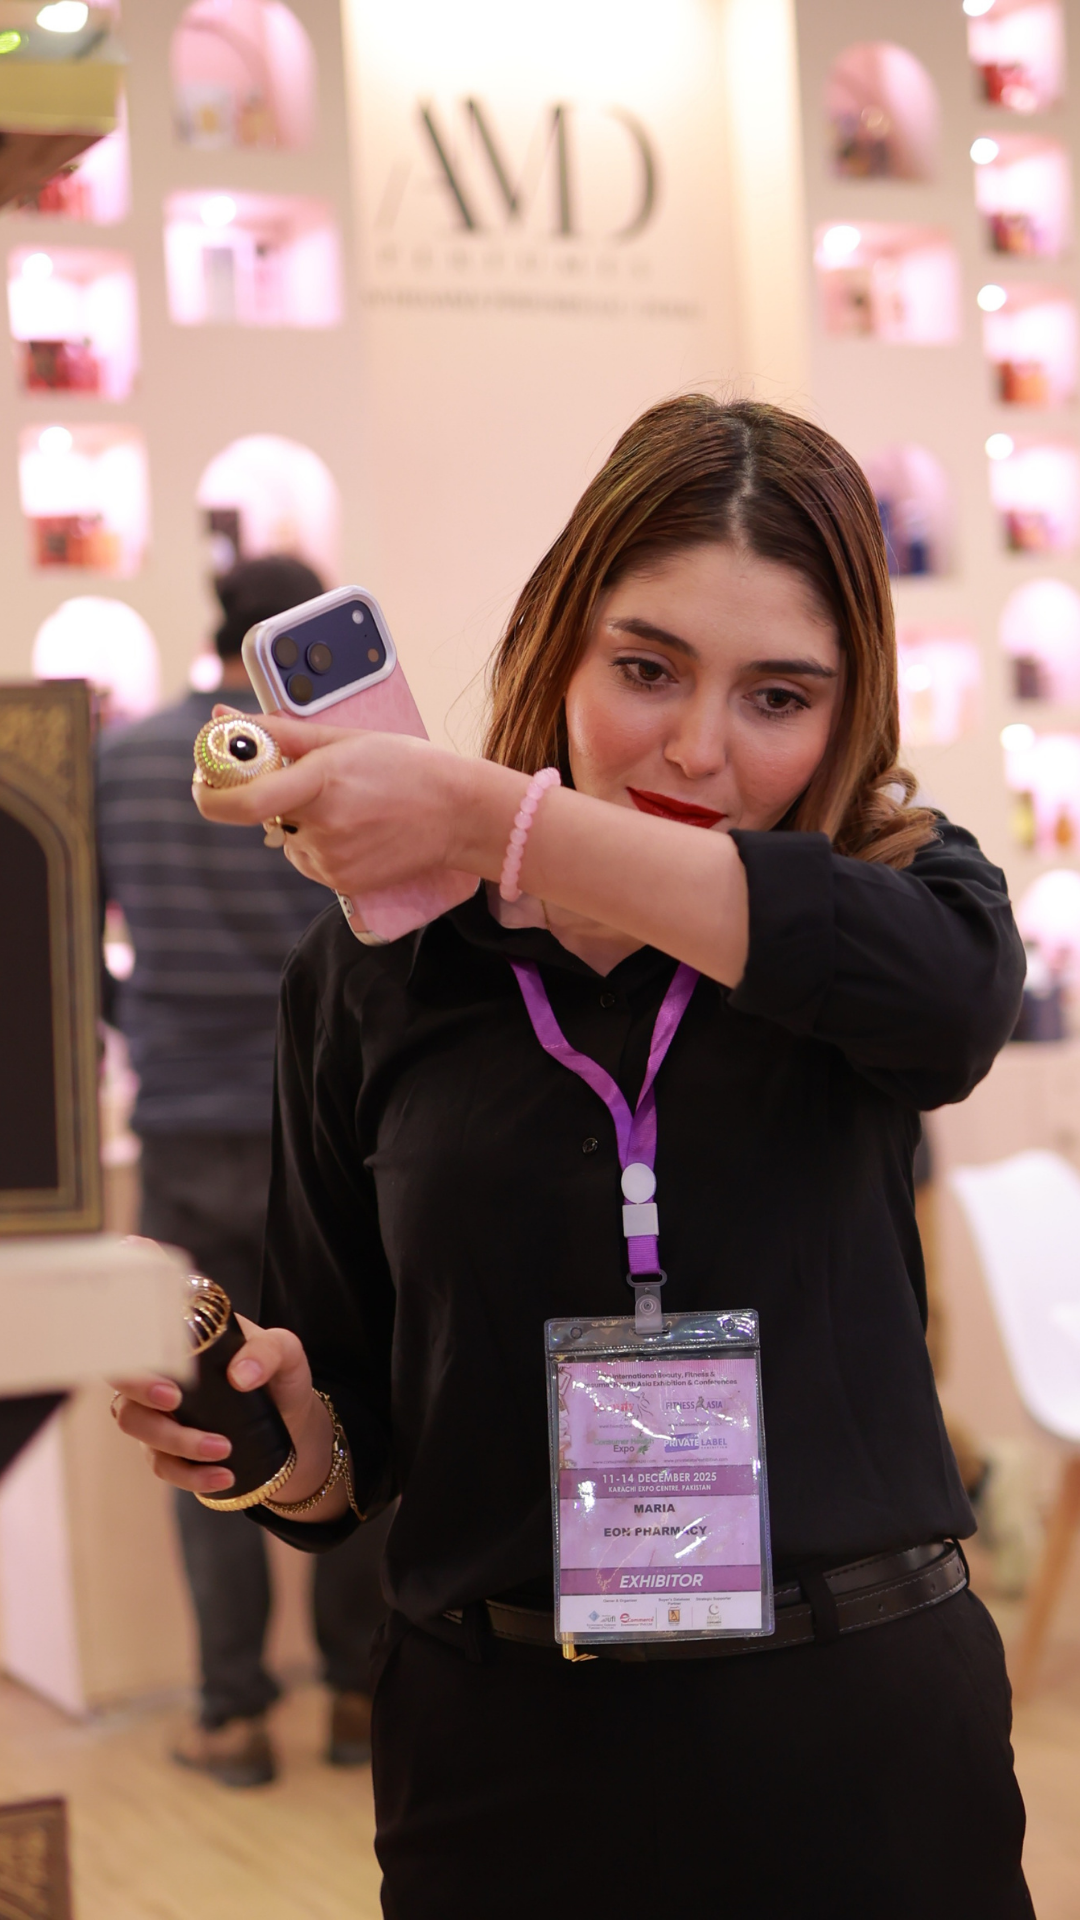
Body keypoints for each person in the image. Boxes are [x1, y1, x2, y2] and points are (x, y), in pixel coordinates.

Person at [115, 398, 1032, 1914]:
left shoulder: (888, 907)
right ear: (558, 641)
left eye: (778, 697)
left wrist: (490, 817)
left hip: (857, 1753)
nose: (697, 748)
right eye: (646, 669)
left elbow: (953, 1009)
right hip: (504, 1765)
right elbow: (349, 1432)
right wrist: (282, 1442)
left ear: (847, 707)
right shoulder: (373, 977)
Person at [98, 555, 391, 1788]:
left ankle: (231, 1715)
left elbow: (82, 953)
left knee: (203, 1416)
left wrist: (143, 1020)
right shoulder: (327, 763)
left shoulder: (125, 761)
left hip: (181, 1127)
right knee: (349, 1387)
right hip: (317, 1127)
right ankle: (359, 1694)